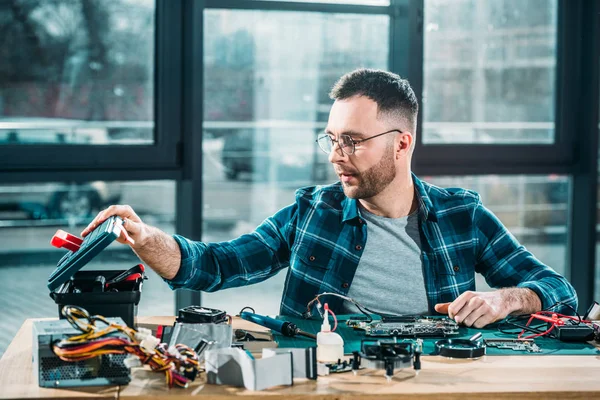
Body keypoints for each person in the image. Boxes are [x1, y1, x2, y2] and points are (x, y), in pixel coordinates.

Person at [82, 69, 577, 328]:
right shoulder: (311, 212)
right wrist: (146, 238)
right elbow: (215, 265)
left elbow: (559, 292)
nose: (337, 156)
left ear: (402, 142)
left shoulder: (461, 215)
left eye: (353, 141)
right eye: (332, 139)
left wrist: (505, 298)